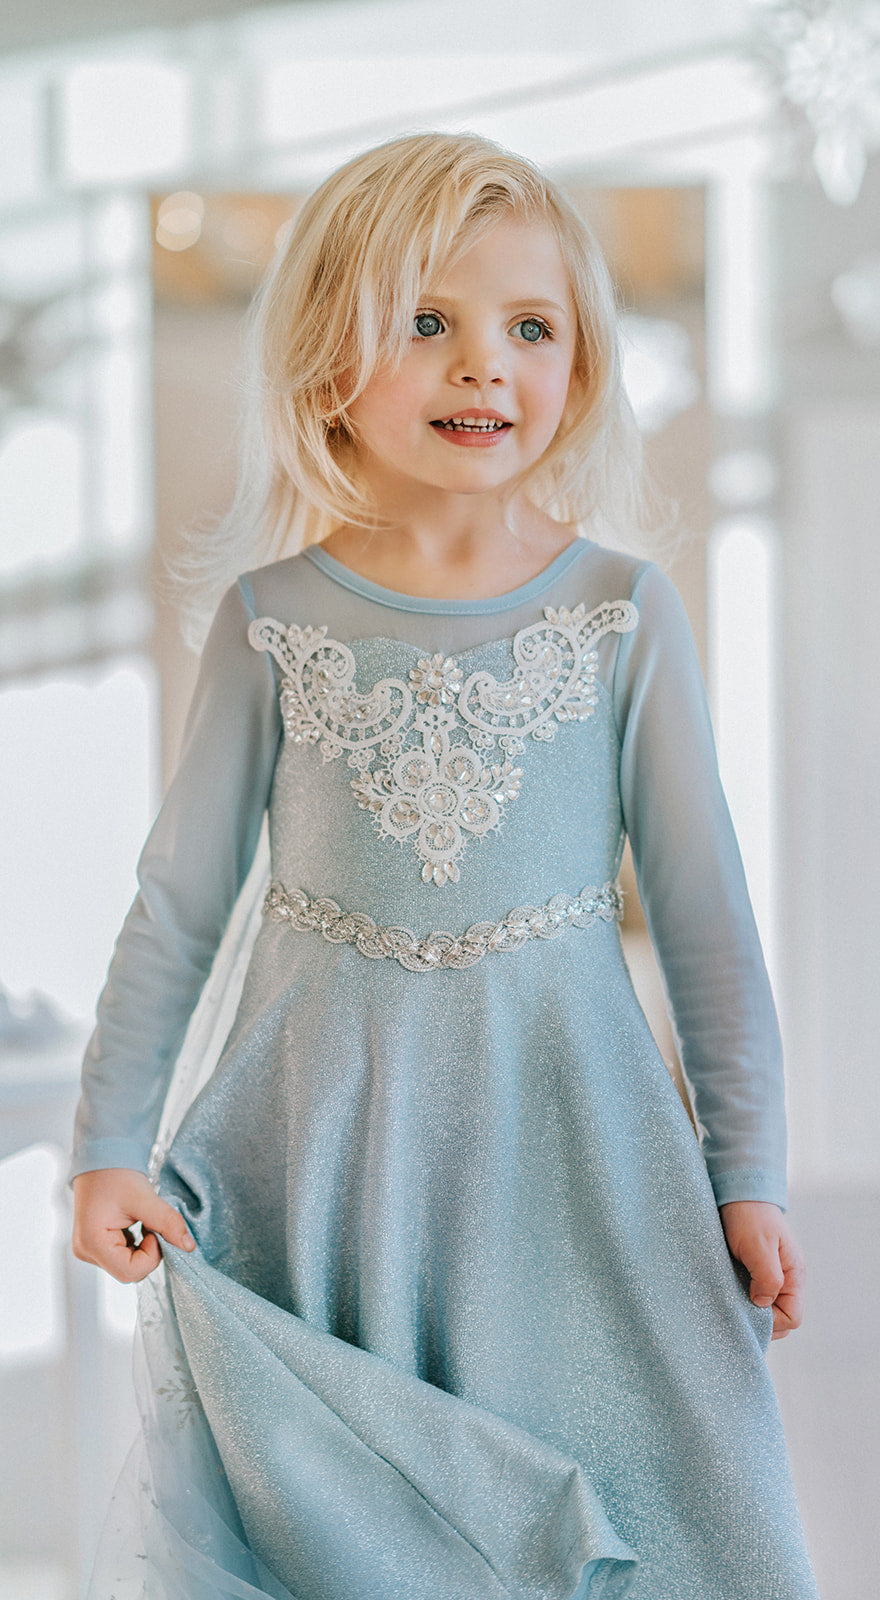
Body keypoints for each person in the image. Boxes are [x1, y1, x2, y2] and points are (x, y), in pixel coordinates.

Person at [69, 131, 819, 1600]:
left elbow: (707, 920)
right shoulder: (274, 619)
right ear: (324, 364)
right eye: (429, 323)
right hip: (326, 1148)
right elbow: (180, 899)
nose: (486, 368)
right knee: (367, 1532)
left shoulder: (620, 615)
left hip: (574, 1148)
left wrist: (750, 1174)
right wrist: (109, 1137)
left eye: (529, 329)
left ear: (582, 368)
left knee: (651, 1503)